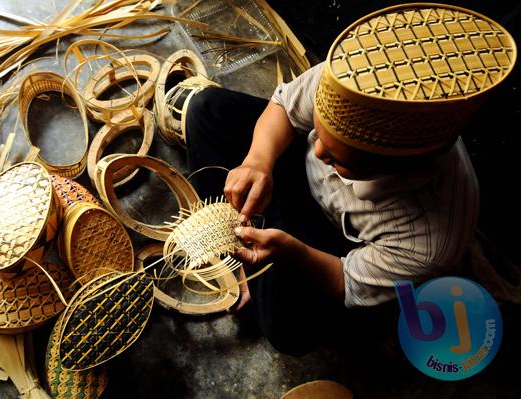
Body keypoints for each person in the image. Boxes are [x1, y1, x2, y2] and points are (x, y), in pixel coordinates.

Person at [184, 4, 516, 355]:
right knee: (206, 110)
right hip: (291, 180)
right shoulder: (351, 80)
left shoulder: (430, 240)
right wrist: (258, 162)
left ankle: (258, 247)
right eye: (320, 134)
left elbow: (345, 280)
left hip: (330, 241)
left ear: (391, 167)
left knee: (289, 329)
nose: (317, 152)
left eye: (336, 157)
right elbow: (283, 108)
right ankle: (242, 236)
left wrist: (292, 253)